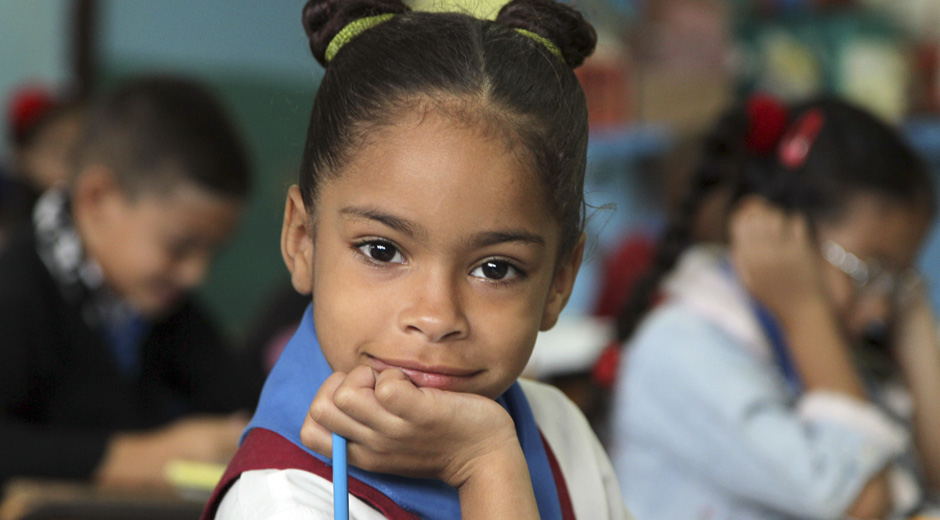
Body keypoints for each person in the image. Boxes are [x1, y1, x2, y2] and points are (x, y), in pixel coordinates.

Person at [203, 1, 632, 519]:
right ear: (302, 241)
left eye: (496, 269)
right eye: (381, 251)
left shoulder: (560, 435)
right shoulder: (278, 501)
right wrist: (484, 461)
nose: (435, 318)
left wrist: (488, 458)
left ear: (559, 283)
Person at [607, 94, 940, 519]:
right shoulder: (681, 347)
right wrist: (806, 311)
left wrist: (910, 309)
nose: (879, 310)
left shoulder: (835, 344)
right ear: (783, 235)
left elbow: (928, 480)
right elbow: (860, 501)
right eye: (867, 273)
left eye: (895, 281)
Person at [0, 75, 263, 491]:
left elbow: (243, 397)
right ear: (99, 199)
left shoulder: (166, 309)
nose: (196, 273)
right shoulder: (16, 296)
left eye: (212, 251)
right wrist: (144, 457)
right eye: (180, 247)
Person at [0, 85, 85, 249]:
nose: (70, 165)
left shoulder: (78, 211)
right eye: (57, 151)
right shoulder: (14, 225)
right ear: (23, 157)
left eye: (77, 151)